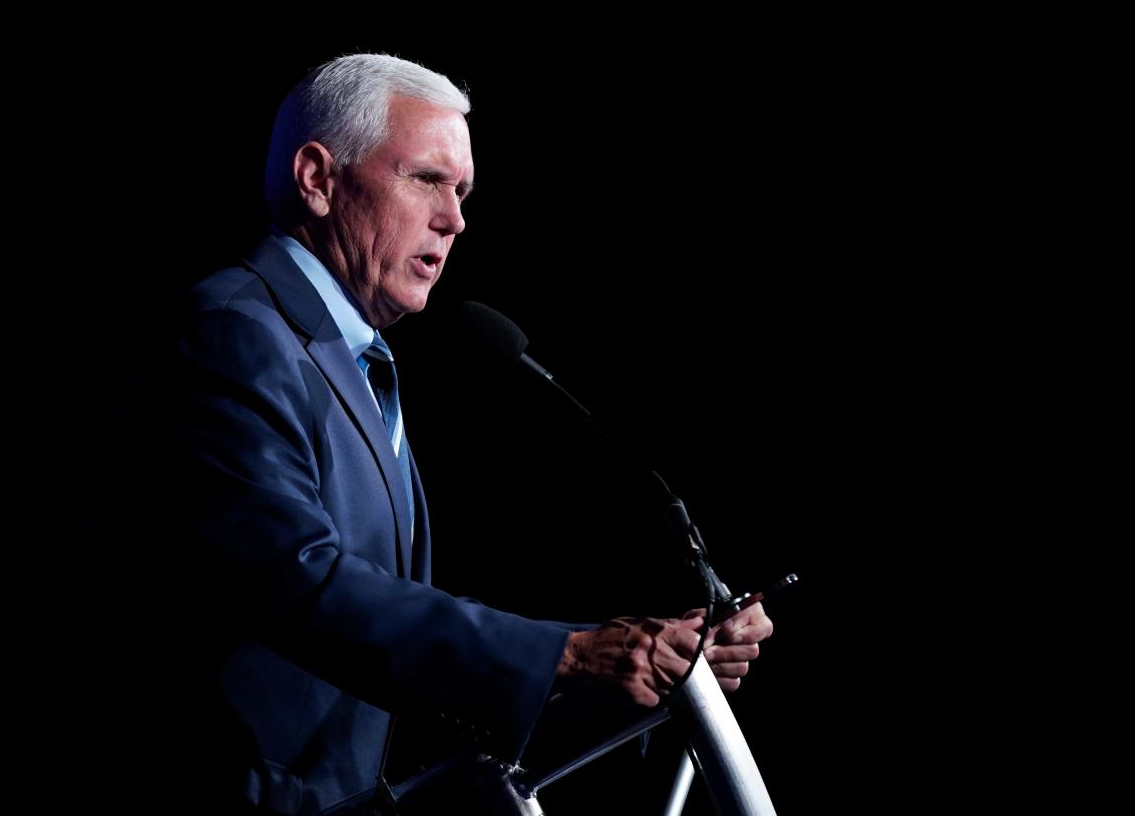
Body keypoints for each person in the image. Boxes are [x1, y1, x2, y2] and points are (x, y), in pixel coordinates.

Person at [176, 53, 773, 814]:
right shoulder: (234, 331)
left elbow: (391, 646)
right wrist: (568, 655)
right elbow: (296, 582)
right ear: (317, 178)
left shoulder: (351, 360)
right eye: (426, 179)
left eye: (461, 192)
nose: (455, 218)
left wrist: (645, 665)